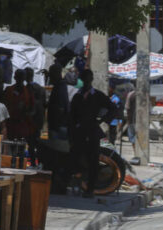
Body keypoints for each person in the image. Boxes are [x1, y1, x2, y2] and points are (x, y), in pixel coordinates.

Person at [70, 69, 117, 198]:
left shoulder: (97, 95)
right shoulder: (77, 96)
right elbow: (72, 116)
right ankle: (79, 183)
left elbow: (113, 108)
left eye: (88, 78)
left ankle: (90, 189)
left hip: (92, 132)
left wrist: (103, 121)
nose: (86, 81)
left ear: (91, 80)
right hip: (79, 133)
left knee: (93, 161)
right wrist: (73, 128)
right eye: (84, 78)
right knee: (76, 159)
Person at [3, 69, 36, 141]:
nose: (20, 79)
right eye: (18, 77)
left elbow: (33, 109)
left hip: (23, 125)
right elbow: (4, 108)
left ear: (24, 78)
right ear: (15, 77)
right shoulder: (8, 90)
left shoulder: (29, 92)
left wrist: (26, 113)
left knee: (21, 147)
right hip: (11, 125)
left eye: (21, 77)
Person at [25, 67, 46, 165]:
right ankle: (40, 161)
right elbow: (45, 104)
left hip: (31, 120)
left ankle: (34, 162)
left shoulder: (26, 89)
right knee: (36, 142)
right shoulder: (40, 88)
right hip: (38, 119)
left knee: (31, 143)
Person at [47, 63, 70, 139]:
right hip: (58, 125)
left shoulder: (60, 87)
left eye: (51, 74)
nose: (50, 77)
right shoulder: (59, 86)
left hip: (58, 126)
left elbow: (60, 107)